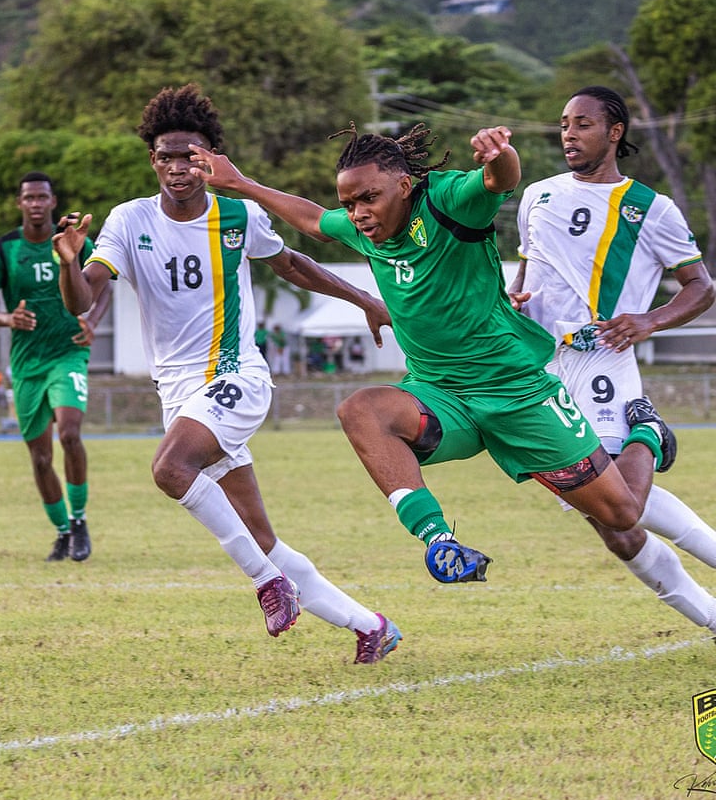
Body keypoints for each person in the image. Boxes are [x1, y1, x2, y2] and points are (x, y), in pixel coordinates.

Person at [192, 119, 657, 595]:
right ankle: (439, 542)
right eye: (349, 203)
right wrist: (241, 184)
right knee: (360, 409)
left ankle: (647, 431)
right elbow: (313, 220)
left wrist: (497, 153)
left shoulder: (448, 201)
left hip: (516, 393)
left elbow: (501, 180)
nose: (357, 214)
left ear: (404, 185)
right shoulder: (361, 229)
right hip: (440, 395)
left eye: (368, 198)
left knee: (621, 514)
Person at [54, 84, 401, 662]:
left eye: (189, 155)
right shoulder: (127, 220)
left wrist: (363, 298)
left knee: (170, 469)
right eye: (165, 156)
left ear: (209, 158)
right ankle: (370, 626)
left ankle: (267, 585)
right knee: (261, 537)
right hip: (180, 393)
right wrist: (69, 262)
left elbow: (293, 264)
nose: (177, 167)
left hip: (236, 377)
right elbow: (80, 300)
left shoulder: (239, 214)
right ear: (153, 161)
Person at [512, 85, 716, 633]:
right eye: (563, 125)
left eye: (582, 124)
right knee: (608, 518)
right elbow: (529, 273)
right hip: (542, 368)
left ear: (614, 132)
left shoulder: (652, 209)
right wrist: (513, 298)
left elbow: (701, 288)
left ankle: (645, 434)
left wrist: (648, 321)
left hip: (603, 356)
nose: (569, 135)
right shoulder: (538, 194)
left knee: (615, 499)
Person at [0, 171, 113, 562]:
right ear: (20, 203)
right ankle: (62, 530)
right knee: (39, 458)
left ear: (53, 202)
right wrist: (7, 319)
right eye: (29, 198)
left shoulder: (71, 242)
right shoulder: (2, 250)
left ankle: (81, 519)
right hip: (26, 363)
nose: (36, 203)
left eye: (42, 197)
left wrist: (93, 322)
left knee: (69, 433)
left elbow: (104, 288)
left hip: (68, 352)